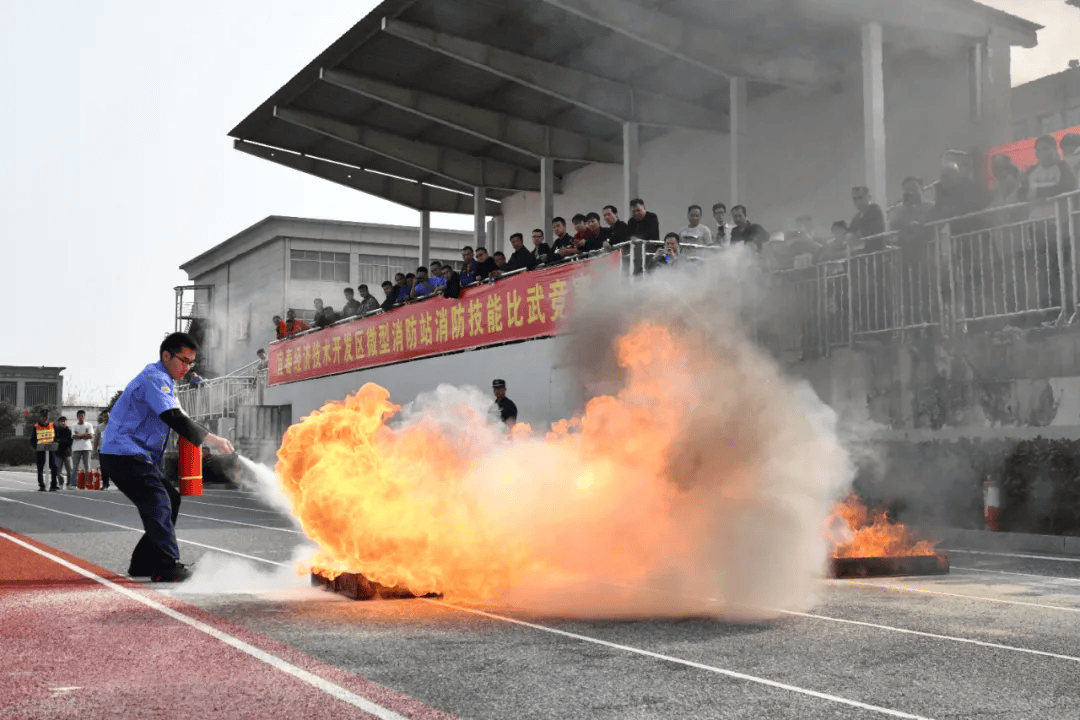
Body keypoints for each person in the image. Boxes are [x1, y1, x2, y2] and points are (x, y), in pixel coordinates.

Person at [100, 332, 234, 582]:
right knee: (158, 500)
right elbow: (174, 418)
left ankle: (142, 563)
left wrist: (202, 444)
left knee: (170, 499)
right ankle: (165, 565)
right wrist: (213, 440)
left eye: (191, 363)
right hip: (122, 452)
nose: (187, 367)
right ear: (166, 355)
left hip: (135, 455)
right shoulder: (155, 379)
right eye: (183, 360)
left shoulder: (167, 382)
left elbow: (181, 420)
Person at [848, 186, 886, 252]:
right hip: (862, 255)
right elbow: (849, 233)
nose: (858, 202)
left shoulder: (875, 210)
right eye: (855, 199)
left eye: (860, 198)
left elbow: (870, 231)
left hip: (876, 254)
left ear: (869, 197)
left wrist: (854, 236)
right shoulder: (857, 217)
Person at [31, 410, 59, 492]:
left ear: (48, 417)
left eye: (46, 416)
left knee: (54, 466)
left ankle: (53, 485)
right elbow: (33, 439)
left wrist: (55, 444)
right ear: (40, 417)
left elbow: (56, 436)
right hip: (40, 450)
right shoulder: (36, 426)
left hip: (50, 449)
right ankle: (41, 485)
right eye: (43, 417)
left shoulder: (52, 425)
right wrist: (36, 447)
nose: (44, 418)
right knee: (40, 468)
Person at [71, 410, 94, 488]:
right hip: (76, 448)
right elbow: (74, 436)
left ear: (85, 417)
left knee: (87, 466)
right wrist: (84, 435)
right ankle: (73, 484)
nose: (81, 417)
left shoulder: (89, 425)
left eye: (82, 416)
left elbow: (90, 436)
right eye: (79, 416)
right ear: (77, 417)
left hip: (87, 448)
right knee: (75, 466)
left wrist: (79, 435)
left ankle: (88, 484)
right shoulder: (74, 425)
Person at [93, 410, 111, 489]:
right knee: (103, 467)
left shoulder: (113, 426)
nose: (106, 418)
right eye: (104, 416)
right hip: (102, 449)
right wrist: (94, 449)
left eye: (107, 416)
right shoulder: (99, 427)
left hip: (112, 449)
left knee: (113, 467)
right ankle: (105, 484)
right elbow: (96, 439)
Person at [55, 416, 73, 489]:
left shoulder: (69, 431)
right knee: (58, 470)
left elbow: (70, 442)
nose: (63, 423)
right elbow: (55, 440)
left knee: (70, 470)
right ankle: (61, 483)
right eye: (61, 421)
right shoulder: (56, 431)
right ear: (59, 422)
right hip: (58, 453)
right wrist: (62, 441)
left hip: (67, 453)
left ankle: (69, 483)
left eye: (64, 421)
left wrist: (61, 441)